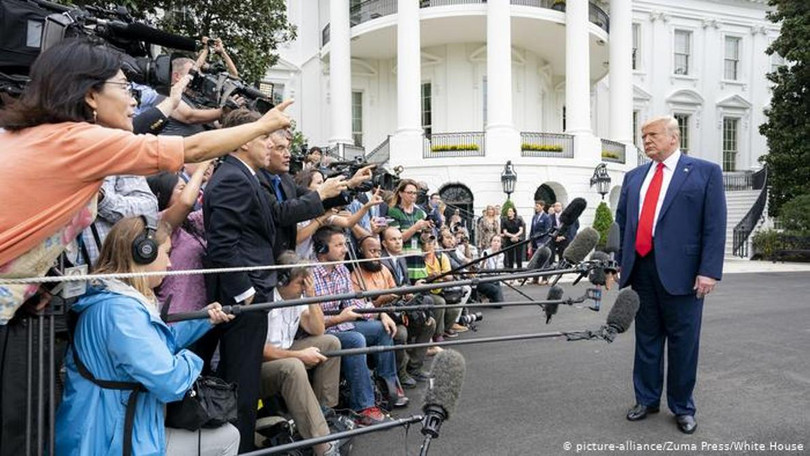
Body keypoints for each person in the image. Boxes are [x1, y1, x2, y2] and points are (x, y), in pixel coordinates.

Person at [0, 39, 292, 321]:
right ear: (90, 94)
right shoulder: (78, 140)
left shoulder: (32, 136)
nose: (134, 99)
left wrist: (41, 279)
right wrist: (261, 126)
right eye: (124, 87)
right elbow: (193, 149)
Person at [55, 216, 238, 455]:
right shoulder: (121, 311)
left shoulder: (113, 300)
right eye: (166, 253)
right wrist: (193, 359)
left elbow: (152, 343)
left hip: (111, 430)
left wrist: (203, 319)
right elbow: (170, 381)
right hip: (113, 441)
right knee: (228, 438)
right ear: (144, 253)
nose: (170, 264)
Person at [615, 116, 726, 435]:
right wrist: (614, 264)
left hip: (685, 274)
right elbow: (622, 223)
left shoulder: (705, 172)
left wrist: (708, 270)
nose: (646, 140)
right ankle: (647, 399)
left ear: (674, 137)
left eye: (652, 135)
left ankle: (682, 407)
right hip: (642, 270)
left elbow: (714, 225)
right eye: (643, 136)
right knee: (646, 339)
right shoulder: (635, 177)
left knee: (683, 343)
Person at [310, 226, 408, 424]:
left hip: (342, 324)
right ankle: (362, 406)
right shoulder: (309, 274)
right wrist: (339, 319)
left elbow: (354, 304)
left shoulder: (341, 270)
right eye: (338, 245)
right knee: (356, 339)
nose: (344, 249)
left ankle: (387, 385)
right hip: (320, 331)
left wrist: (381, 313)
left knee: (382, 329)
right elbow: (310, 322)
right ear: (321, 249)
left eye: (344, 244)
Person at [260, 252, 341, 456]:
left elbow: (318, 330)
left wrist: (311, 296)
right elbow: (258, 351)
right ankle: (322, 444)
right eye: (300, 283)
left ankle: (323, 413)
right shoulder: (266, 299)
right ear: (282, 280)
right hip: (259, 365)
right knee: (293, 366)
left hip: (284, 352)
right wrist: (299, 356)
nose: (303, 288)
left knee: (331, 343)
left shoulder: (299, 296)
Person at [353, 234, 435, 388]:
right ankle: (400, 372)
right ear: (360, 253)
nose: (377, 255)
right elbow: (362, 308)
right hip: (376, 317)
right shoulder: (355, 275)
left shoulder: (383, 269)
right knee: (400, 333)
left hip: (397, 311)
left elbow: (394, 290)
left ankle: (414, 366)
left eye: (378, 251)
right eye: (372, 251)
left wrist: (405, 292)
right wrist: (381, 300)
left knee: (429, 322)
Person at [387, 179, 433, 282]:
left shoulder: (420, 213)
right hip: (403, 260)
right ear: (400, 193)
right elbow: (397, 239)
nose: (413, 195)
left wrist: (426, 231)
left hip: (418, 262)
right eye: (409, 192)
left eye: (415, 193)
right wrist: (415, 227)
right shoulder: (394, 212)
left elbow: (422, 240)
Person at [528, 199, 551, 284]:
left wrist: (542, 238)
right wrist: (530, 240)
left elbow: (547, 231)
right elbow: (532, 230)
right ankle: (535, 278)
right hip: (534, 241)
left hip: (543, 241)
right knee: (535, 260)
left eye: (537, 206)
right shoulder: (535, 217)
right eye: (535, 206)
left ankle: (545, 278)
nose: (535, 207)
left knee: (544, 260)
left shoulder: (546, 217)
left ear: (542, 206)